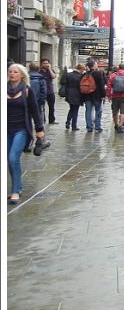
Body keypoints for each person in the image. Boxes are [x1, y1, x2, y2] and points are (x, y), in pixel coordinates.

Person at [7, 64, 46, 204]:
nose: (12, 74)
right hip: (6, 129)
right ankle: (17, 186)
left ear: (21, 75)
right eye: (10, 71)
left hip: (21, 129)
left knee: (13, 158)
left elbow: (35, 111)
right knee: (9, 160)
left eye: (15, 72)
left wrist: (39, 129)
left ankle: (15, 191)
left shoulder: (27, 91)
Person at [107, 63, 124, 133]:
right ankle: (120, 126)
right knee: (123, 112)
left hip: (115, 96)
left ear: (118, 67)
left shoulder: (113, 75)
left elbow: (109, 86)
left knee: (114, 111)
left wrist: (109, 96)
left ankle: (116, 124)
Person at [59, 63, 85, 130]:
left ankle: (68, 122)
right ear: (81, 69)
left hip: (69, 93)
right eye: (83, 69)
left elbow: (64, 83)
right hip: (77, 94)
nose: (83, 71)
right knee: (75, 110)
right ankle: (74, 126)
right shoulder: (81, 76)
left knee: (72, 109)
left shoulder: (69, 75)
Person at [82, 60, 106, 132]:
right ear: (93, 66)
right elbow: (101, 85)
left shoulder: (85, 74)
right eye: (96, 64)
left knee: (88, 111)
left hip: (87, 96)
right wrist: (103, 95)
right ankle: (97, 127)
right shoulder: (98, 73)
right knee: (98, 111)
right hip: (97, 96)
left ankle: (89, 127)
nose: (97, 65)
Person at [39, 58, 58, 124]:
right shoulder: (39, 72)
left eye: (47, 63)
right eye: (44, 63)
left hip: (50, 91)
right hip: (42, 92)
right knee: (42, 107)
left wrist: (49, 69)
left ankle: (51, 120)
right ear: (41, 64)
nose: (46, 64)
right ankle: (43, 120)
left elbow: (53, 76)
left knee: (51, 107)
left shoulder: (50, 70)